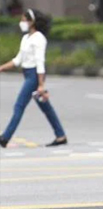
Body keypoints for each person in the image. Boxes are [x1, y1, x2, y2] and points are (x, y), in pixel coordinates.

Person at [0, 9, 67, 148]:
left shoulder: (39, 38)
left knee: (19, 106)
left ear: (32, 22)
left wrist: (41, 84)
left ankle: (5, 137)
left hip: (34, 76)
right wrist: (1, 68)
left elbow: (40, 62)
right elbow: (18, 60)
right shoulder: (26, 38)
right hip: (27, 74)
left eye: (24, 20)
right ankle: (60, 135)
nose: (21, 23)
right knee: (46, 107)